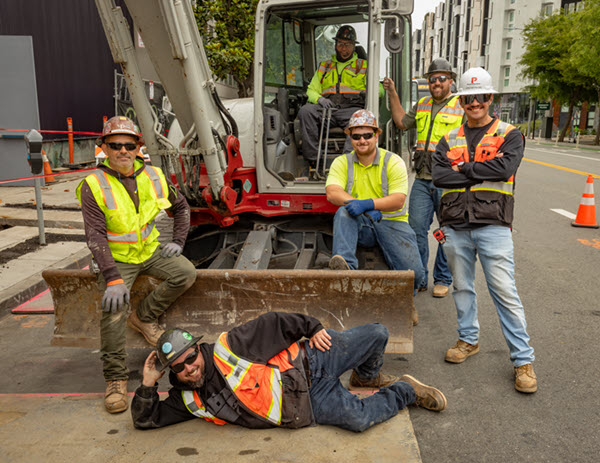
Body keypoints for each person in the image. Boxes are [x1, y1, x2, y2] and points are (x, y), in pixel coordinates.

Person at [131, 312, 447, 432]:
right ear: (172, 372)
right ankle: (405, 390)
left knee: (378, 332)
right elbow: (145, 419)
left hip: (313, 359)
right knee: (359, 419)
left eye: (192, 358)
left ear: (199, 350)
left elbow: (276, 323)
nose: (190, 368)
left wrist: (314, 327)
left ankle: (366, 375)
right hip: (310, 401)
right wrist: (147, 385)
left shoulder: (229, 347)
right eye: (180, 367)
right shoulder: (188, 400)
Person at [77, 116, 197, 414]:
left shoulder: (153, 176)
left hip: (149, 251)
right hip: (117, 258)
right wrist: (113, 277)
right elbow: (94, 235)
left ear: (138, 148)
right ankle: (115, 379)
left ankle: (144, 316)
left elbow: (181, 207)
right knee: (113, 310)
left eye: (129, 145)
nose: (122, 151)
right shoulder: (94, 185)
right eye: (115, 145)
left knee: (185, 273)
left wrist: (179, 242)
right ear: (103, 147)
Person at [431, 68, 537, 393]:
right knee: (461, 288)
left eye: (482, 97)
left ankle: (523, 361)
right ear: (461, 101)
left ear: (491, 98)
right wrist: (477, 172)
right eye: (468, 98)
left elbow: (505, 169)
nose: (475, 103)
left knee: (505, 292)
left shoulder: (510, 133)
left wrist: (462, 168)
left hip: (493, 224)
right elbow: (439, 177)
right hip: (454, 224)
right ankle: (468, 340)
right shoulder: (447, 138)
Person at [383, 58, 464, 298]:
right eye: (432, 78)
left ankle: (443, 278)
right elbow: (400, 122)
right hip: (422, 179)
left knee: (447, 231)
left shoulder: (462, 105)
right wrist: (393, 93)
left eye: (442, 78)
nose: (437, 82)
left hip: (448, 180)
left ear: (451, 80)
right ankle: (419, 278)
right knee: (416, 230)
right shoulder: (422, 104)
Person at [325, 109, 425, 291]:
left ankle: (407, 302)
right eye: (356, 136)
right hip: (364, 223)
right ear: (350, 138)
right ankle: (344, 269)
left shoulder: (393, 161)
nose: (362, 140)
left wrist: (368, 203)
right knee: (344, 213)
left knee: (415, 275)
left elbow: (398, 201)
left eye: (367, 135)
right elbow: (332, 192)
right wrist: (363, 209)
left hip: (393, 223)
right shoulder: (341, 162)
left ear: (376, 135)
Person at [297, 25, 370, 163]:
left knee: (360, 118)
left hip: (351, 112)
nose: (344, 48)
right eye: (341, 44)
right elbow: (311, 90)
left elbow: (379, 91)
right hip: (327, 112)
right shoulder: (325, 66)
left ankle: (347, 163)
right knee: (305, 111)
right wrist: (320, 100)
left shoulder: (363, 66)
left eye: (348, 45)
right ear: (335, 45)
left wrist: (366, 93)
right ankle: (313, 160)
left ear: (354, 47)